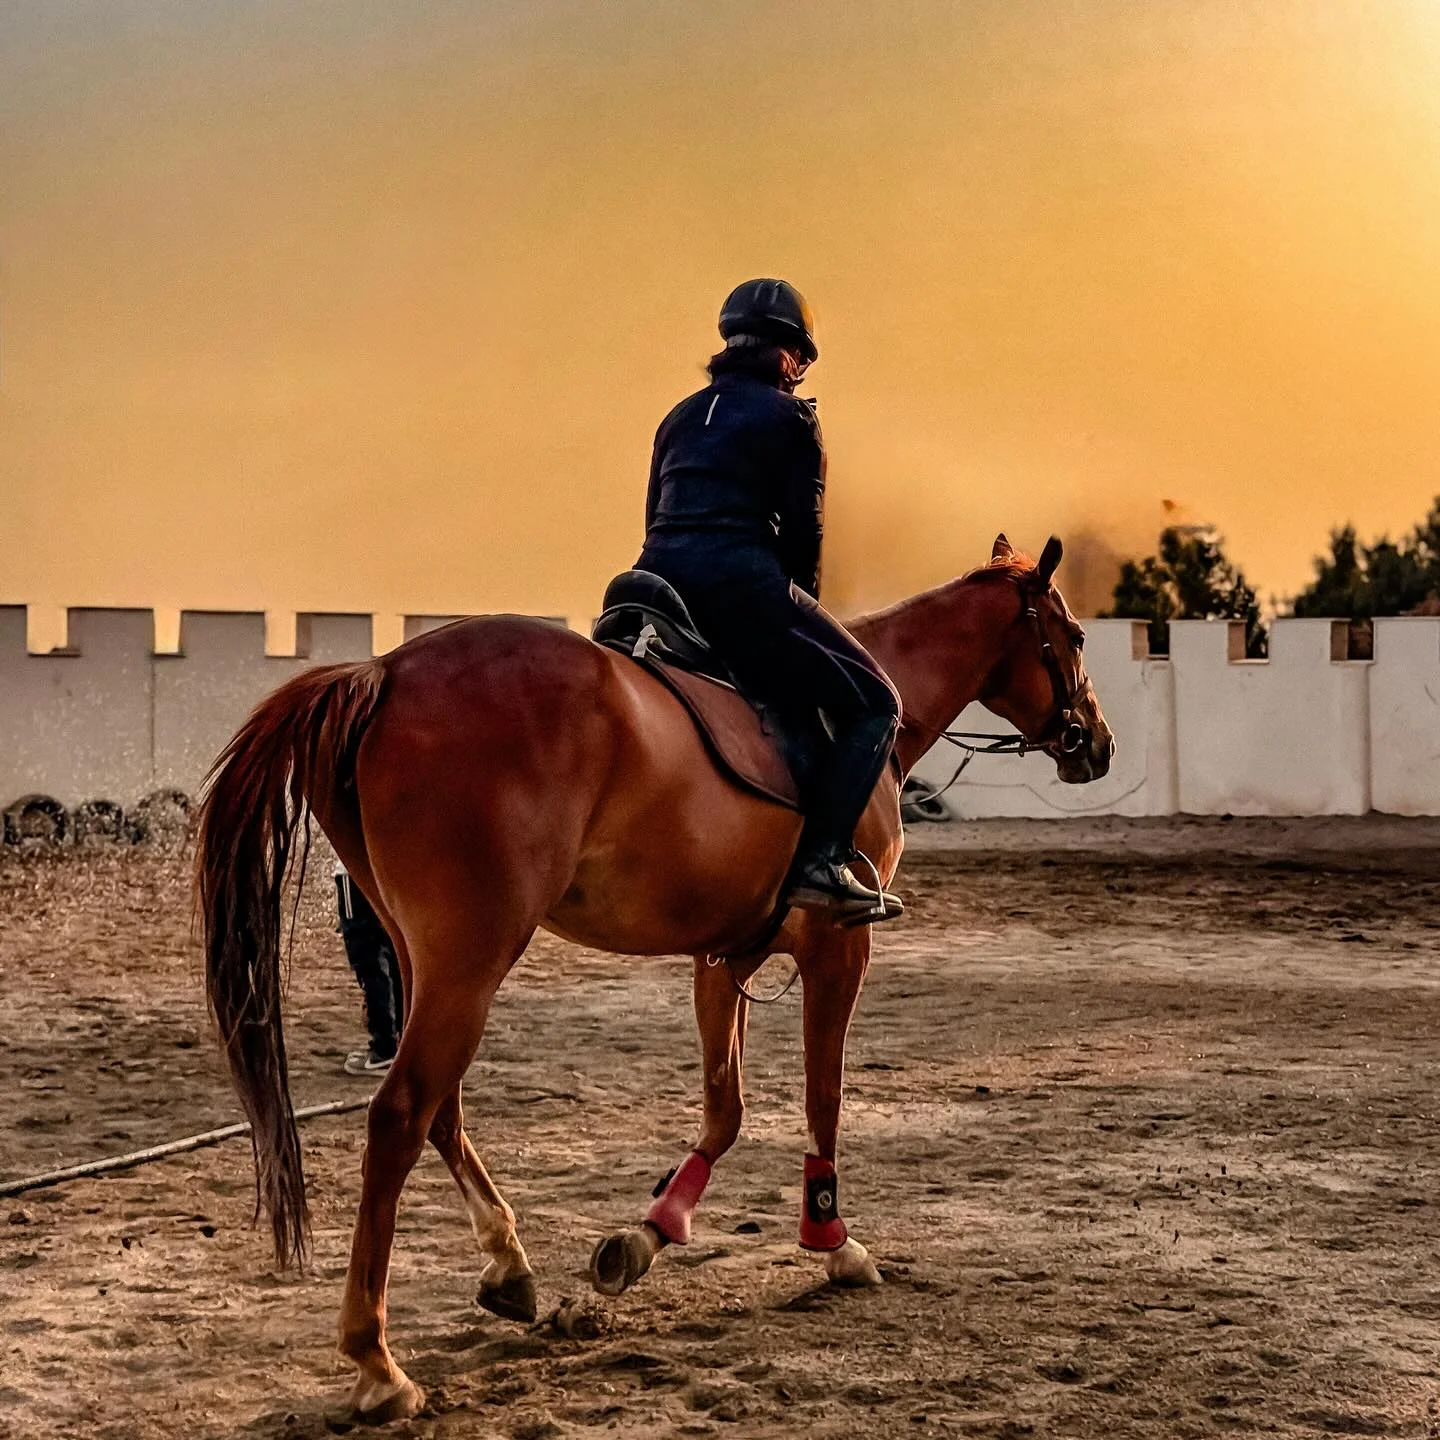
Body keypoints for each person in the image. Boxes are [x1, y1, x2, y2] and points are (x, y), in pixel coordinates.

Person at [636, 278, 903, 922]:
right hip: (740, 588)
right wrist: (803, 611)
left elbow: (652, 518)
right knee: (878, 704)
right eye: (801, 360)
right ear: (791, 355)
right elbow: (805, 535)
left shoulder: (678, 417)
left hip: (655, 585)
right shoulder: (793, 418)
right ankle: (823, 862)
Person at [334, 861, 404, 1074]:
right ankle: (400, 1039)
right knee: (391, 951)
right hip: (387, 872)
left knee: (367, 954)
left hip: (354, 873)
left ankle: (384, 1047)